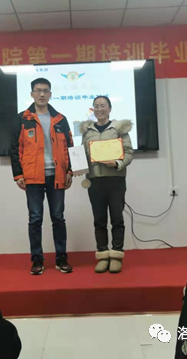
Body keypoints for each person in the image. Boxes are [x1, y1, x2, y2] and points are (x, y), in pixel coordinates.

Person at [10, 78, 74, 275]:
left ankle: (61, 258)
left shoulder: (60, 119)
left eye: (45, 91)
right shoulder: (22, 119)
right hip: (33, 177)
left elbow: (70, 147)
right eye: (38, 91)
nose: (42, 94)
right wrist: (18, 174)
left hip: (57, 175)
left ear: (50, 94)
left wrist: (70, 171)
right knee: (35, 219)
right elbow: (15, 148)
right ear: (32, 94)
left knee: (58, 218)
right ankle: (37, 260)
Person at [80, 96, 134, 273]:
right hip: (95, 181)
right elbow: (81, 154)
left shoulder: (119, 128)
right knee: (99, 220)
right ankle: (102, 255)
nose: (99, 109)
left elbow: (128, 152)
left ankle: (116, 255)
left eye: (103, 105)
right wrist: (78, 166)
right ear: (93, 110)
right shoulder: (87, 131)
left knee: (117, 218)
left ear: (109, 108)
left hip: (115, 179)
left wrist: (117, 163)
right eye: (96, 106)